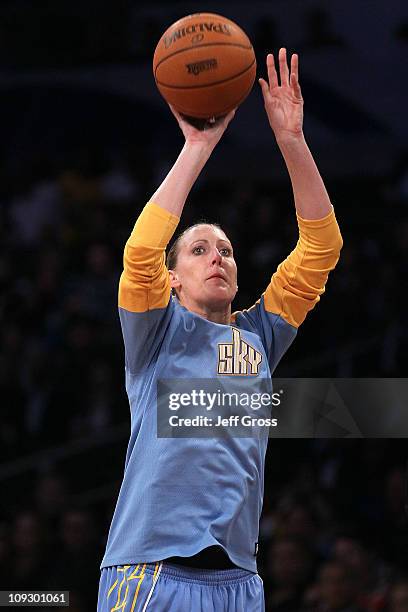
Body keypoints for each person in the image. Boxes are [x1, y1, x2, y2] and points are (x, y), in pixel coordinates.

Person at [97, 49, 342, 612]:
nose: (218, 258)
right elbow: (140, 255)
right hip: (151, 571)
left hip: (238, 582)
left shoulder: (261, 338)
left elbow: (320, 250)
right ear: (174, 281)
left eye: (227, 250)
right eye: (200, 249)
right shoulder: (156, 335)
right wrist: (197, 147)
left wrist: (292, 140)